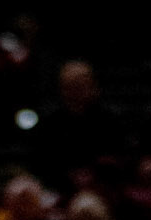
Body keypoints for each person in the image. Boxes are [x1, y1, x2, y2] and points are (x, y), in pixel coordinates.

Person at [32, 60, 127, 193]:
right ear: (62, 89)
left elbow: (121, 159)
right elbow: (40, 163)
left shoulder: (111, 120)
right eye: (71, 86)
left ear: (94, 86)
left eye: (81, 84)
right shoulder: (50, 124)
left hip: (105, 189)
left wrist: (94, 174)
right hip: (59, 188)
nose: (76, 91)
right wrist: (69, 176)